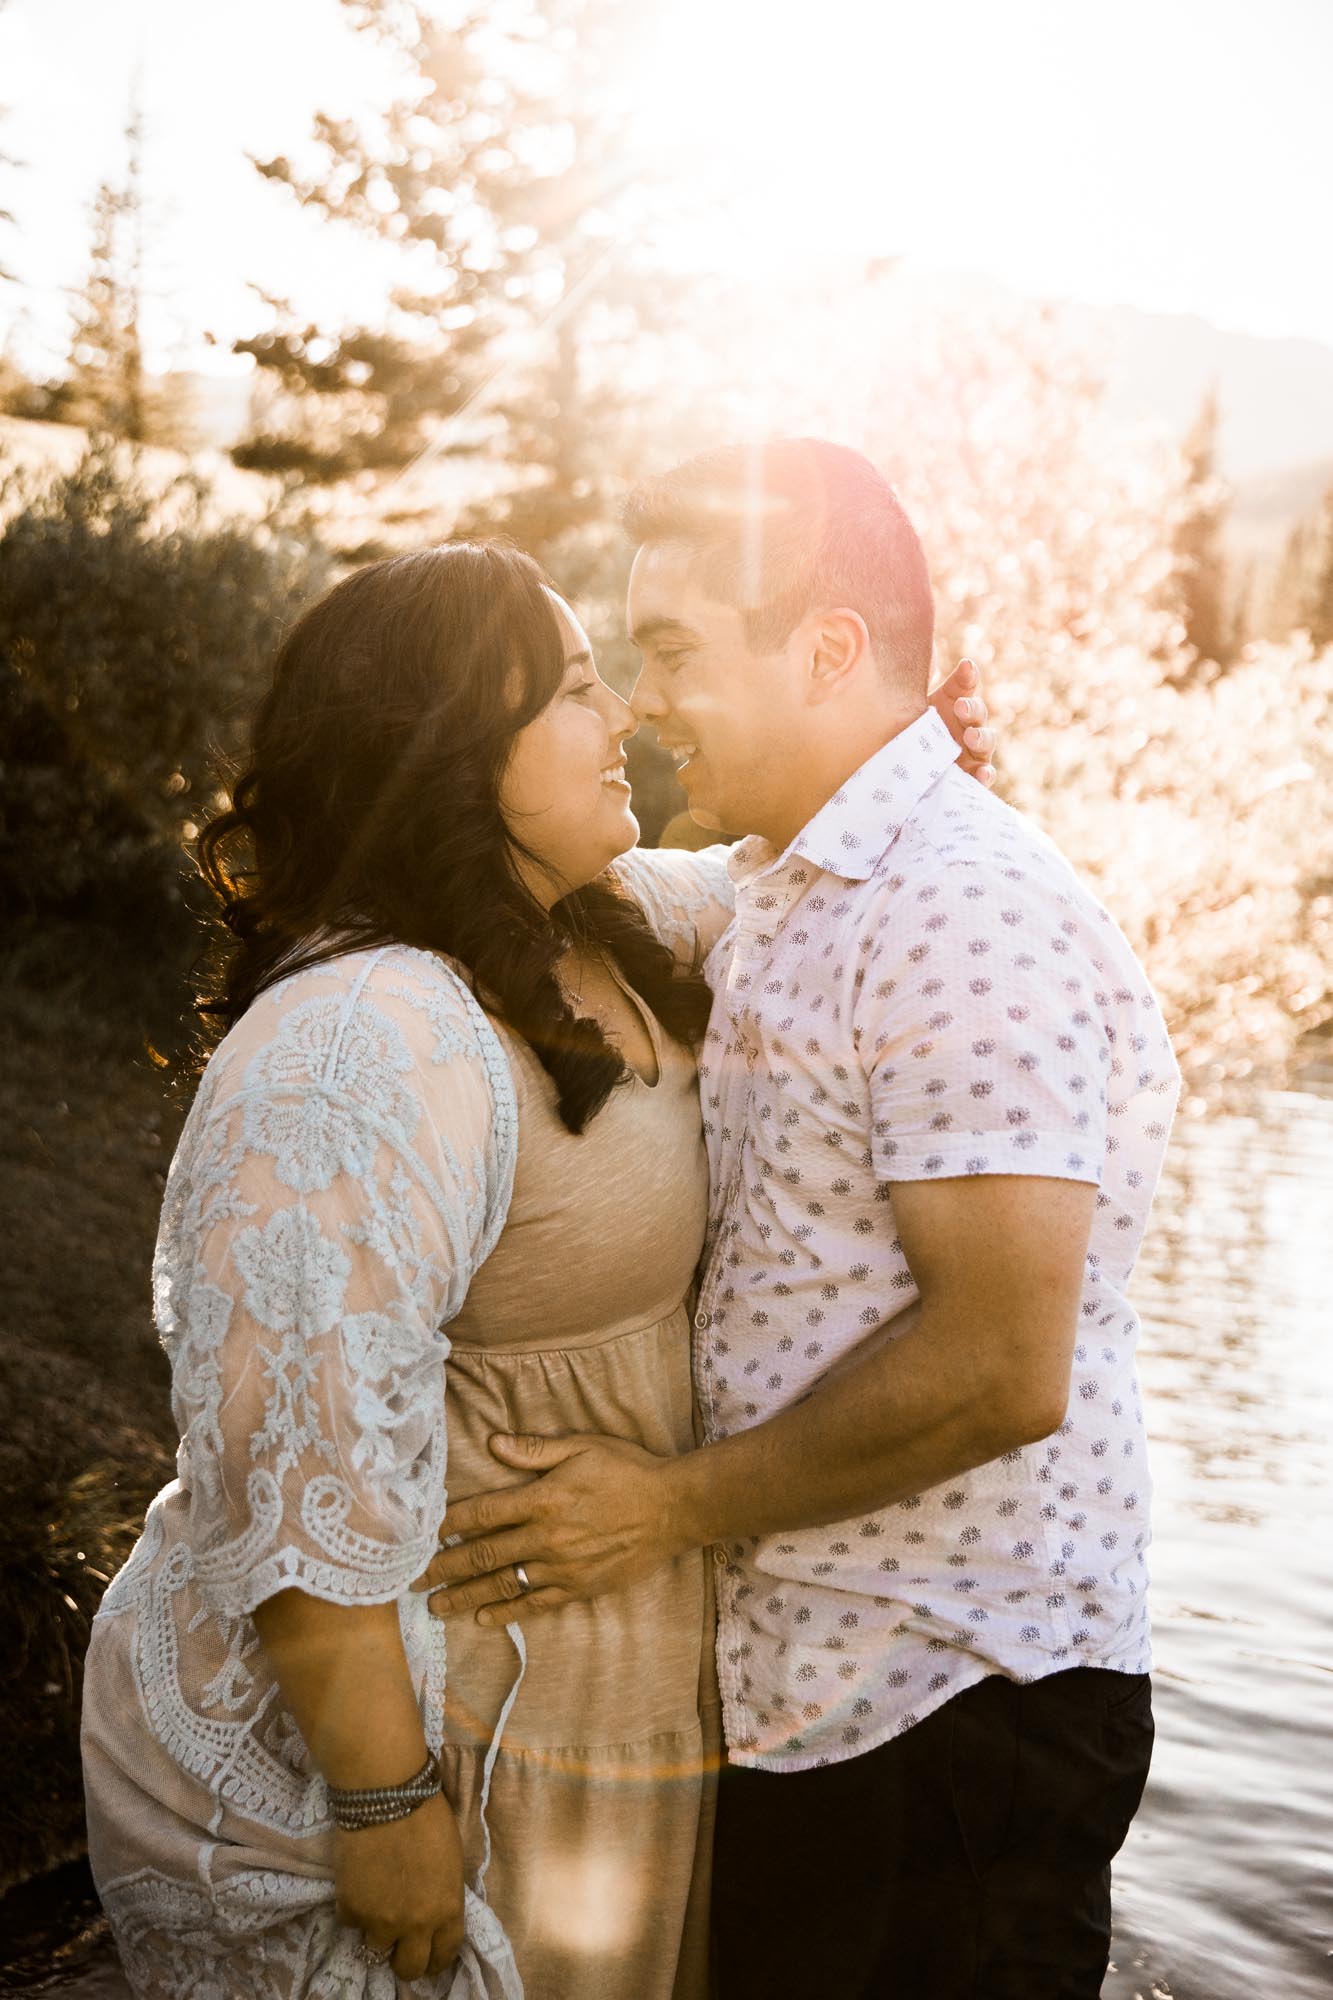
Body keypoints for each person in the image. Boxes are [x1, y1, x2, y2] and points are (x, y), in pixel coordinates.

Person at [80, 536, 992, 1999]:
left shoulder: (608, 928)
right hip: (405, 1746)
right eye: (574, 690)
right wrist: (382, 1801)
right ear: (448, 747)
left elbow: (817, 849)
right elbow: (287, 1445)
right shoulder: (363, 1036)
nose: (623, 713)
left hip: (603, 1717)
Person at [419, 440, 1181, 1999]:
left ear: (827, 649)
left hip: (954, 1713)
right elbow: (554, 881)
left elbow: (999, 1365)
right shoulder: (787, 882)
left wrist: (662, 1506)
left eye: (672, 650)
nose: (638, 702)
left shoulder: (960, 912)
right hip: (821, 1700)